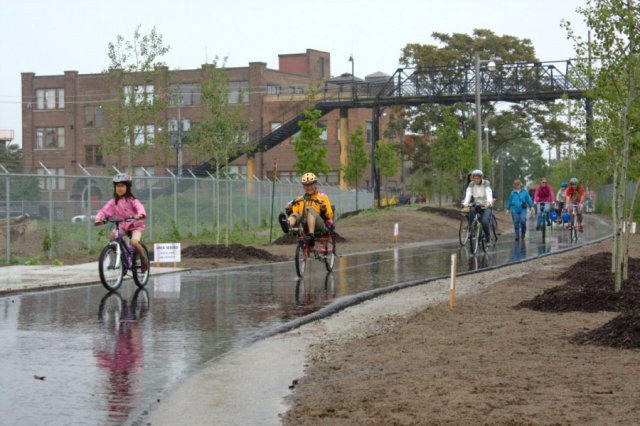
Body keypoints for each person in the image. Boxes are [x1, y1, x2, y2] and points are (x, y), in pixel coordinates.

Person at [94, 173, 148, 272]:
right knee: (113, 236)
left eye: (122, 186)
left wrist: (139, 215)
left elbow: (139, 207)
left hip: (136, 226)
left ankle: (143, 259)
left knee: (134, 242)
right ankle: (113, 259)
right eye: (117, 186)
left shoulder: (132, 200)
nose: (120, 188)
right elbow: (104, 211)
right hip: (123, 225)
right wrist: (98, 218)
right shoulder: (113, 202)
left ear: (127, 187)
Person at [278, 172, 334, 247]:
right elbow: (295, 215)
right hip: (304, 226)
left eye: (311, 184)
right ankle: (287, 225)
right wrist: (289, 210)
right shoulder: (299, 199)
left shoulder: (323, 197)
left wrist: (323, 209)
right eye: (306, 185)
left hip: (319, 226)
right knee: (295, 215)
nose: (309, 187)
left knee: (309, 209)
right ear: (303, 186)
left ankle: (311, 236)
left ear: (316, 184)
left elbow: (330, 215)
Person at [461, 169, 494, 246]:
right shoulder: (471, 184)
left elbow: (489, 194)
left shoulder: (486, 183)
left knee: (485, 221)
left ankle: (488, 238)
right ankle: (471, 229)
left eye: (477, 178)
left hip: (486, 206)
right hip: (476, 205)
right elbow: (468, 194)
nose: (476, 180)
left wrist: (489, 203)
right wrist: (466, 203)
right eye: (474, 178)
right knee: (470, 212)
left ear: (481, 177)